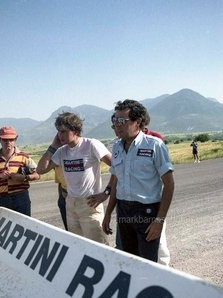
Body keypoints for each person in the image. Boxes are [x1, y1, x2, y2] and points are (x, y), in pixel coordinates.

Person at [102, 99, 174, 263]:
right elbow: (116, 183)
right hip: (124, 210)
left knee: (148, 263)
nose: (117, 125)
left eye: (121, 121)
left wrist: (159, 221)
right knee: (129, 261)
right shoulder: (117, 147)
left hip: (146, 212)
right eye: (115, 120)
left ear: (138, 122)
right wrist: (107, 214)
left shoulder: (154, 145)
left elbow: (169, 184)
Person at [36, 112, 112, 244]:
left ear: (76, 130)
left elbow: (117, 166)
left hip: (90, 203)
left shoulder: (91, 144)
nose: (60, 135)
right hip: (71, 204)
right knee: (78, 246)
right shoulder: (61, 151)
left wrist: (106, 193)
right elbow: (41, 170)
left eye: (64, 131)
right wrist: (53, 147)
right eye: (58, 132)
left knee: (100, 247)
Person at [0, 126, 40, 216]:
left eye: (11, 139)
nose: (8, 142)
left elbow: (37, 174)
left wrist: (24, 177)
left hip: (21, 196)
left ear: (16, 139)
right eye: (5, 140)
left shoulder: (23, 156)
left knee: (24, 224)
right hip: (4, 199)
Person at [54, 166, 68, 230]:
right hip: (64, 198)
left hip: (83, 199)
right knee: (69, 230)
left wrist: (103, 194)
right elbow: (60, 182)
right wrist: (60, 199)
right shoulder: (58, 164)